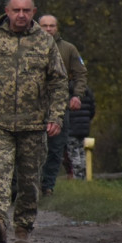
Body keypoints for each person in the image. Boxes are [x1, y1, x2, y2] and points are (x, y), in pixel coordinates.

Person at [0, 0, 68, 243]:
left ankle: (23, 227)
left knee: (29, 180)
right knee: (0, 171)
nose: (21, 15)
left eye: (26, 10)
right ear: (7, 11)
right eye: (16, 10)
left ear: (33, 12)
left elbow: (58, 82)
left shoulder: (45, 43)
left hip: (34, 125)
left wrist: (55, 116)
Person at [37, 14, 88, 196]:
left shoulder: (68, 49)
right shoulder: (31, 46)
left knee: (56, 147)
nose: (48, 29)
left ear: (57, 28)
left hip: (59, 105)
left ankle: (47, 186)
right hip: (34, 106)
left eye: (52, 26)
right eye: (45, 26)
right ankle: (28, 184)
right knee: (32, 147)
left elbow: (81, 74)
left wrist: (77, 96)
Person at [66, 85, 96, 179]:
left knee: (74, 153)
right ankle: (84, 175)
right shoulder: (87, 91)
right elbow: (92, 110)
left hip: (71, 128)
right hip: (84, 128)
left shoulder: (68, 92)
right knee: (82, 153)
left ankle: (77, 176)